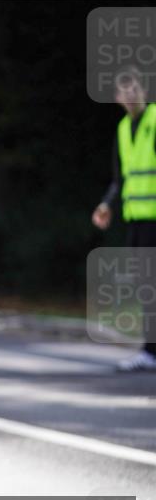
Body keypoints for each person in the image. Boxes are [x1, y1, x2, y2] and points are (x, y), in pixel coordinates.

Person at [92, 66, 156, 372]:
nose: (131, 96)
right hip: (137, 219)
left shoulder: (155, 121)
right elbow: (121, 178)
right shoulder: (122, 129)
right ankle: (150, 350)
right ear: (117, 97)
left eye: (136, 89)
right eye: (124, 91)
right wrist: (107, 204)